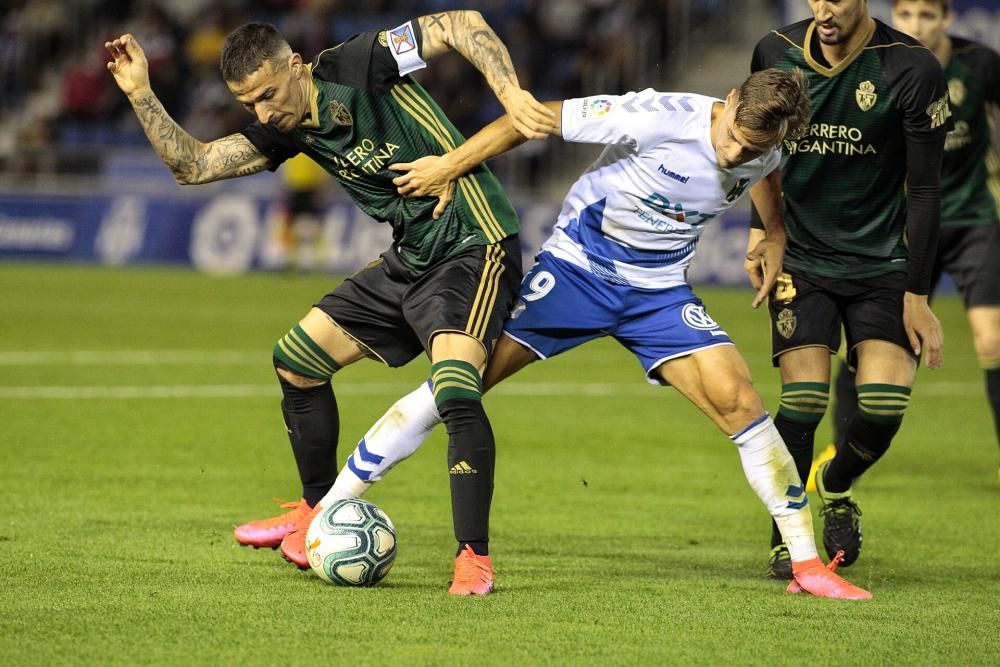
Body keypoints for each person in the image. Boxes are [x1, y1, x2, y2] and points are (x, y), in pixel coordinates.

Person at [283, 68, 874, 599]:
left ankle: (806, 564)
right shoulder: (659, 115)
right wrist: (448, 165)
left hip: (659, 293)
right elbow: (532, 118)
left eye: (755, 148)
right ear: (729, 101)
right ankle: (328, 511)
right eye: (735, 139)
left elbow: (763, 176)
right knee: (456, 386)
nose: (736, 154)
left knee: (740, 400)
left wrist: (773, 231)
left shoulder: (764, 149)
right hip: (575, 273)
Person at [105, 11, 558, 596]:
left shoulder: (358, 63)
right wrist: (142, 94)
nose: (264, 113)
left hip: (473, 244)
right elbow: (193, 166)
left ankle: (473, 556)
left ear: (296, 67)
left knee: (454, 390)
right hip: (413, 254)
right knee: (296, 360)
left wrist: (512, 96)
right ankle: (313, 508)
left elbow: (460, 24)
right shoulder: (286, 126)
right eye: (250, 105)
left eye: (268, 94)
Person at [748, 0, 951, 579]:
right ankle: (788, 536)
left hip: (884, 263)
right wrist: (762, 234)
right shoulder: (775, 51)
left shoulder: (910, 68)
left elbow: (926, 190)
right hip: (803, 259)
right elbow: (759, 152)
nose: (824, 8)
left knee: (883, 408)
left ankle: (834, 484)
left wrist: (917, 293)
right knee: (804, 401)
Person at [824, 0, 1000, 484]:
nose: (915, 25)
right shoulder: (883, 65)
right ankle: (841, 451)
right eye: (906, 15)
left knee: (993, 338)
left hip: (972, 221)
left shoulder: (981, 64)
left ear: (946, 19)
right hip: (902, 225)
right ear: (895, 17)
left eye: (927, 16)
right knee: (864, 342)